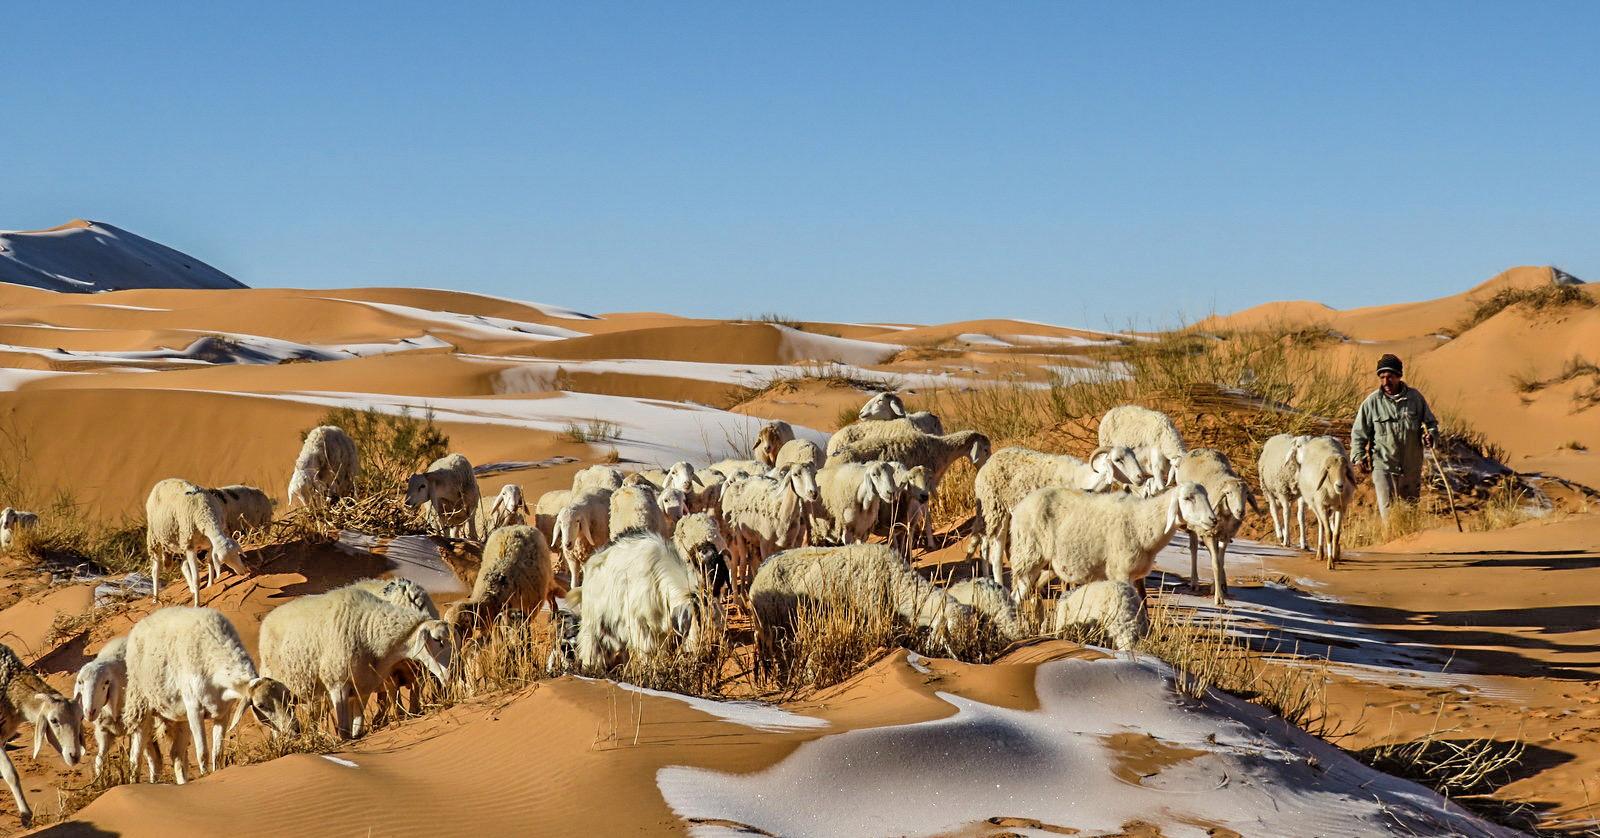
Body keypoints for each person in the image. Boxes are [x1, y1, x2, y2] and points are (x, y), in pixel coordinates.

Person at [1350, 353, 1439, 522]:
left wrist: (1431, 436)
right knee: (1389, 516)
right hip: (1384, 466)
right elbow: (1358, 433)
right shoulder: (1372, 402)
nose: (1386, 382)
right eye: (1382, 377)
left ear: (1399, 376)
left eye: (1390, 376)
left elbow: (1431, 423)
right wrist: (1358, 456)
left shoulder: (1415, 399)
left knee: (1410, 516)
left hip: (1411, 468)